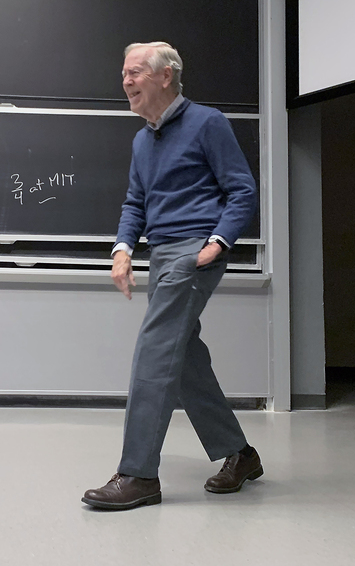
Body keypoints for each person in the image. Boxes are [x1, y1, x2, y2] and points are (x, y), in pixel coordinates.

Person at [82, 42, 262, 510]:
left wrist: (216, 245)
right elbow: (135, 203)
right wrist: (123, 250)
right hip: (162, 254)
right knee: (182, 361)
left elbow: (242, 191)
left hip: (193, 253)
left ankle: (139, 474)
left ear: (166, 77)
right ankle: (241, 455)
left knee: (155, 349)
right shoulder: (143, 139)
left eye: (135, 71)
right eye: (123, 72)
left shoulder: (209, 123)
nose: (125, 80)